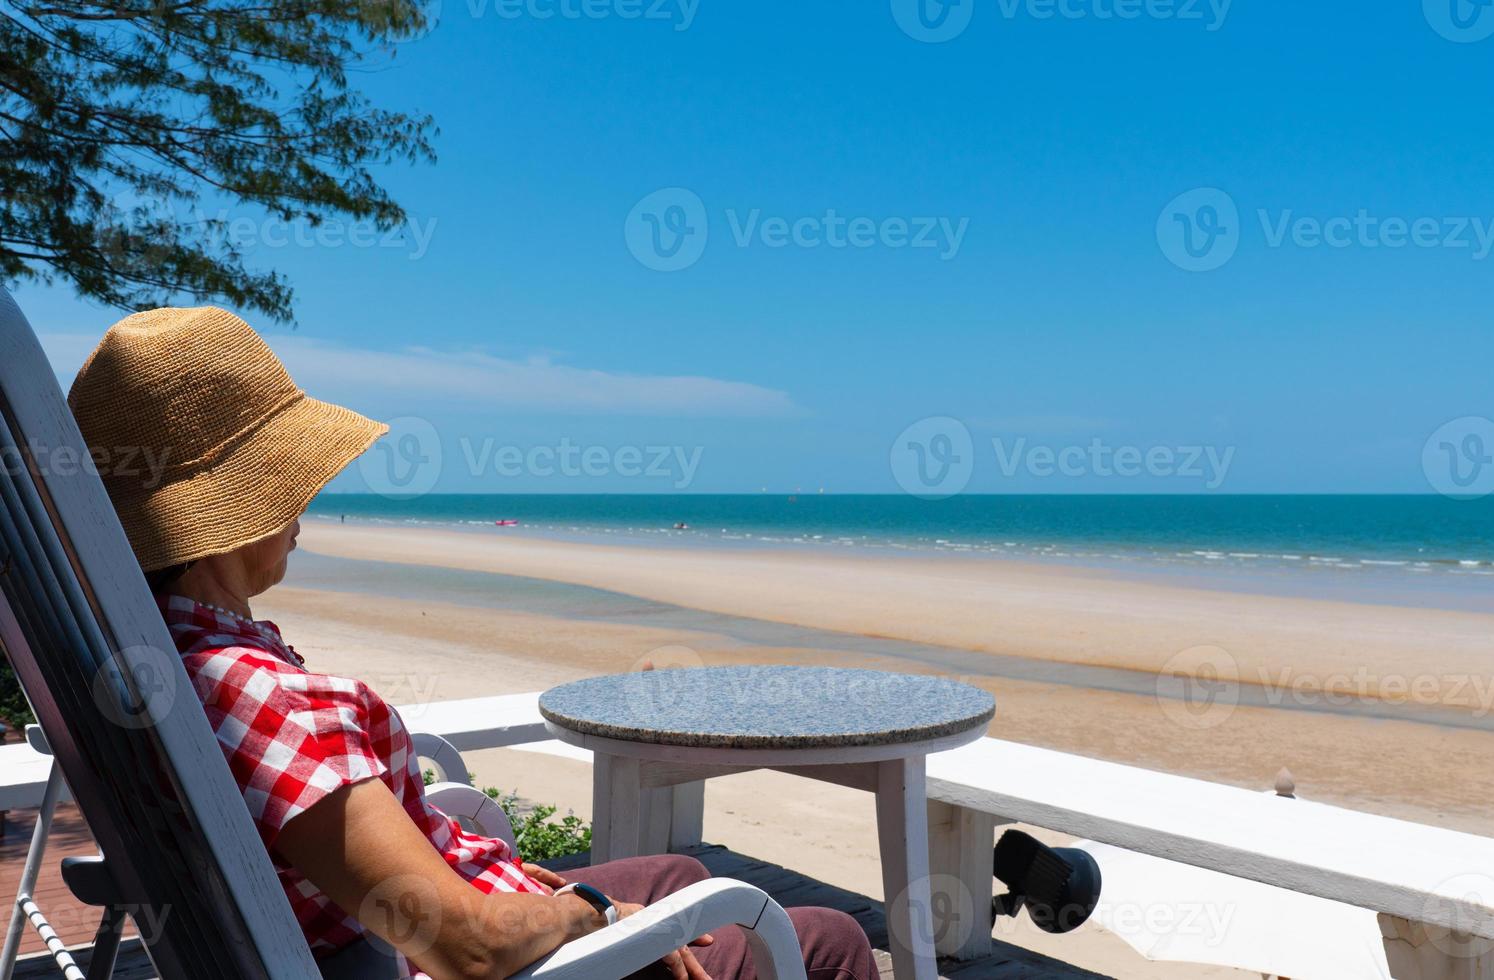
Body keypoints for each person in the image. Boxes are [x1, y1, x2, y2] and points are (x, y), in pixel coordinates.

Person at [67, 307, 876, 980]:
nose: (304, 501)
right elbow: (467, 945)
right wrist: (584, 913)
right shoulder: (261, 700)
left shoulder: (156, 658)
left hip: (352, 935)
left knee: (681, 876)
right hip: (435, 959)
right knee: (826, 939)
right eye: (283, 483)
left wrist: (542, 893)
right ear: (226, 525)